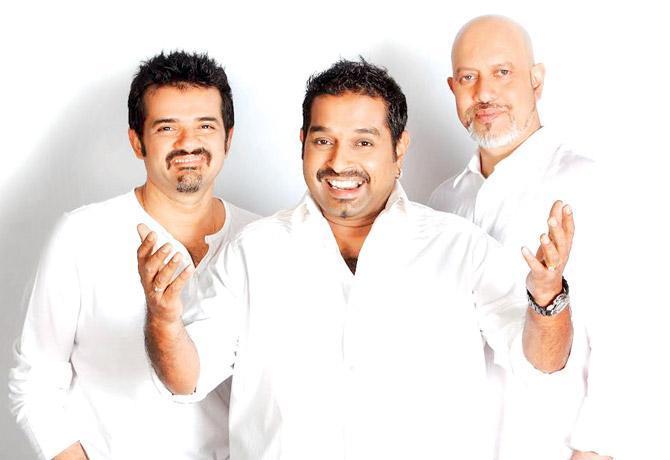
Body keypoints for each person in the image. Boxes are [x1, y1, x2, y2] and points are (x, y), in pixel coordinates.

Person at [137, 58, 577, 460]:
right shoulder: (252, 252)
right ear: (302, 144)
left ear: (399, 149)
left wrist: (547, 299)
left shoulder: (461, 248)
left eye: (363, 142)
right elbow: (186, 379)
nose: (339, 161)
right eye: (323, 140)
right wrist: (164, 319)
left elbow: (542, 362)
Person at [9, 51, 258, 459]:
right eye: (167, 127)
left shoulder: (261, 241)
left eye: (205, 125)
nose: (188, 142)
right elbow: (35, 381)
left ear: (228, 139)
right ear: (136, 142)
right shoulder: (82, 236)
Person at [429, 15, 616, 460]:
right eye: (468, 77)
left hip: (551, 449)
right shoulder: (441, 203)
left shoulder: (587, 183)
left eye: (502, 72)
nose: (484, 93)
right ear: (452, 88)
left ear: (537, 80)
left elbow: (630, 332)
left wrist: (595, 448)